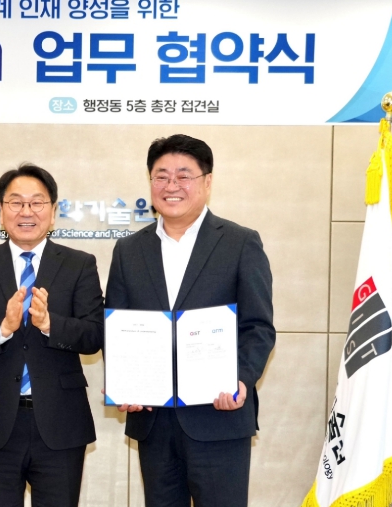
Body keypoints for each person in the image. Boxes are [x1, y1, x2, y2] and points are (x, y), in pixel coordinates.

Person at [105, 134, 275, 507]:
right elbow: (116, 327)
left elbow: (258, 327)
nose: (171, 186)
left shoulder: (240, 243)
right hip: (154, 420)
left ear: (207, 182)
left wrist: (241, 379)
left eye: (184, 176)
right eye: (161, 176)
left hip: (219, 415)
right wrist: (124, 383)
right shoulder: (129, 250)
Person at [0, 163, 104, 507]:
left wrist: (50, 324)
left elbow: (94, 335)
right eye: (16, 202)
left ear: (53, 210)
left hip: (61, 421)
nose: (26, 211)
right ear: (0, 209)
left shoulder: (80, 264)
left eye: (37, 202)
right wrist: (3, 328)